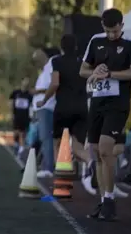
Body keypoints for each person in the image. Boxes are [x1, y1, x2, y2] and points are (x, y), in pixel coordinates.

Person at [80, 8, 131, 221]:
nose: (111, 35)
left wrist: (111, 74)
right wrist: (95, 72)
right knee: (96, 153)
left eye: (115, 31)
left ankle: (110, 198)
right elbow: (83, 70)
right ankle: (102, 200)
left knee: (107, 150)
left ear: (122, 27)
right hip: (97, 103)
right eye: (108, 31)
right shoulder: (95, 40)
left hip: (118, 104)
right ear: (103, 28)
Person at [36, 34, 95, 195]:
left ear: (61, 48)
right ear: (76, 47)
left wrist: (44, 99)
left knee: (57, 144)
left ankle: (61, 181)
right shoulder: (84, 62)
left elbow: (55, 83)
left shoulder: (57, 61)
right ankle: (90, 162)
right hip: (82, 108)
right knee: (77, 148)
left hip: (63, 108)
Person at [32, 48, 57, 178]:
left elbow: (51, 86)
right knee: (43, 138)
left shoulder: (52, 64)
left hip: (46, 106)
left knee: (46, 138)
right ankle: (44, 164)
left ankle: (48, 167)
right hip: (42, 108)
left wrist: (37, 92)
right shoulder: (44, 70)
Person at [9, 77, 32, 156]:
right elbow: (11, 103)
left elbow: (31, 106)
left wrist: (31, 116)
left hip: (25, 116)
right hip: (17, 115)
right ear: (22, 82)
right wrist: (11, 113)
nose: (26, 83)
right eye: (25, 81)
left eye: (27, 82)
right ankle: (16, 144)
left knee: (22, 133)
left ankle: (21, 149)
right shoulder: (16, 92)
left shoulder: (29, 95)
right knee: (16, 132)